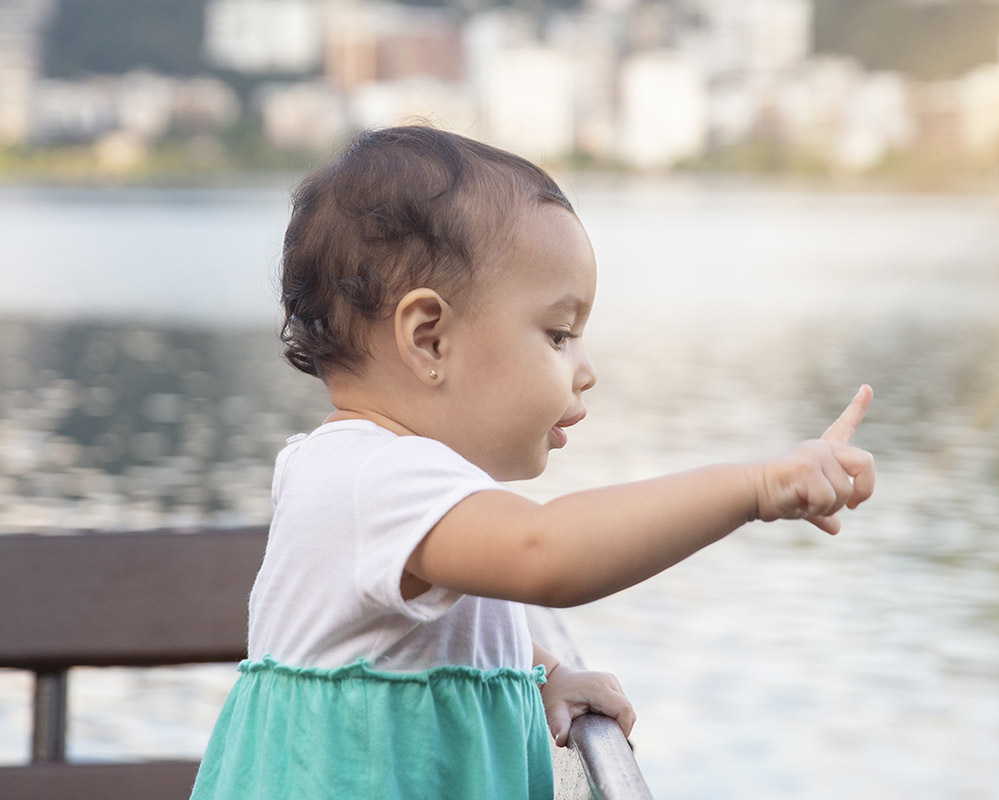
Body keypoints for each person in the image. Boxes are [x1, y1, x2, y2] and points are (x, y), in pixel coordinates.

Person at [190, 126, 876, 799]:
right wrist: (752, 486)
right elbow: (548, 554)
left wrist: (538, 673)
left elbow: (423, 644)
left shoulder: (391, 481)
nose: (587, 372)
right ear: (429, 339)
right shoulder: (375, 478)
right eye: (558, 335)